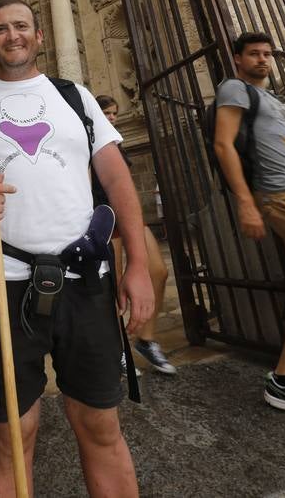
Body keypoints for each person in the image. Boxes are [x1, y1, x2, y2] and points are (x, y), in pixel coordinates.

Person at [0, 0, 154, 497]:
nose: (13, 36)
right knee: (11, 434)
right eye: (1, 29)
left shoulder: (75, 98)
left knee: (100, 424)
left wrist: (137, 262)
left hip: (85, 284)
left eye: (22, 26)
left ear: (39, 35)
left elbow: (116, 178)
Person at [214, 32, 285, 412]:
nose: (263, 59)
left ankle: (284, 381)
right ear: (238, 58)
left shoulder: (271, 99)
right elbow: (223, 144)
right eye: (254, 54)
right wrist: (247, 203)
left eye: (267, 54)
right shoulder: (235, 89)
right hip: (280, 197)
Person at [95, 96, 177, 377]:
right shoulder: (89, 141)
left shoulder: (117, 143)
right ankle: (116, 347)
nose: (112, 117)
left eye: (115, 113)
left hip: (130, 218)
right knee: (114, 286)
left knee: (158, 271)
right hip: (106, 218)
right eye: (106, 112)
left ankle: (146, 338)